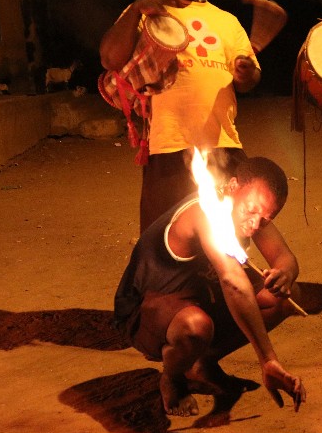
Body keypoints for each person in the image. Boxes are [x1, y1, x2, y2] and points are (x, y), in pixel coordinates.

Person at [113, 156, 306, 417]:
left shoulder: (251, 213)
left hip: (199, 297)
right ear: (233, 186)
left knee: (286, 295)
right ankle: (173, 377)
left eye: (265, 220)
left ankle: (201, 362)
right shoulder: (206, 213)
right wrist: (268, 359)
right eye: (251, 212)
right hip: (146, 308)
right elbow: (232, 281)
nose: (254, 225)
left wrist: (285, 273)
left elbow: (285, 257)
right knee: (196, 327)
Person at [99, 0, 261, 233]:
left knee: (232, 231)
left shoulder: (226, 21)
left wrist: (246, 73)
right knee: (165, 236)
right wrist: (135, 9)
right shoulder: (148, 14)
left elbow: (249, 81)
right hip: (168, 144)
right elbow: (109, 58)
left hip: (222, 142)